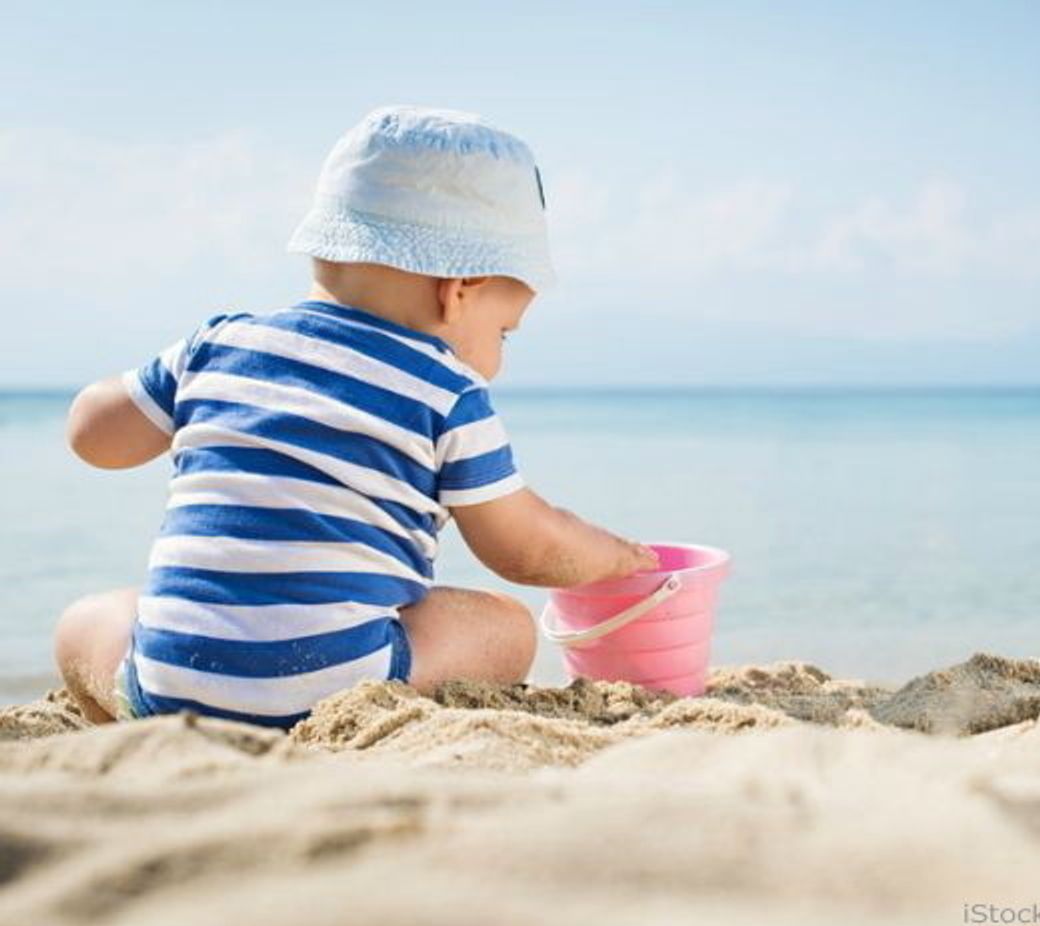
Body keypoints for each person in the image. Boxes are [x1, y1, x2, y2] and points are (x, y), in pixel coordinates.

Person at [54, 105, 658, 727]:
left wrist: (167, 387)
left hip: (172, 687)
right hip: (334, 691)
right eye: (506, 332)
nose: (498, 360)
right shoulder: (444, 391)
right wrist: (611, 556)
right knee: (505, 626)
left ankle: (141, 730)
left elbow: (93, 437)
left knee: (85, 623)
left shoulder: (220, 345)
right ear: (459, 291)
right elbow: (526, 549)